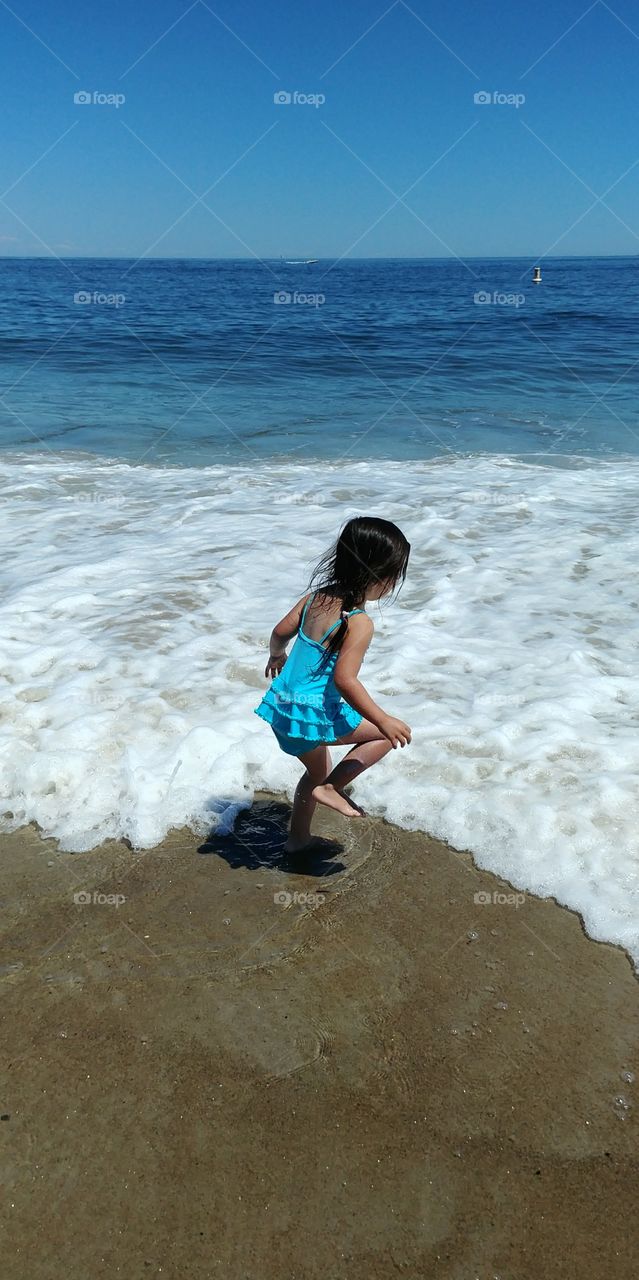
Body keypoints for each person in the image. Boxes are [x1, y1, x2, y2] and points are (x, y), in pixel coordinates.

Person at [255, 516, 412, 852]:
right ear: (379, 576)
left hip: (281, 708)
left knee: (314, 773)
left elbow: (280, 632)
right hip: (311, 717)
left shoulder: (315, 599)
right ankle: (332, 788)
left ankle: (297, 840)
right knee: (385, 736)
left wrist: (276, 657)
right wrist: (383, 719)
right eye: (394, 574)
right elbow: (344, 680)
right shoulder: (359, 622)